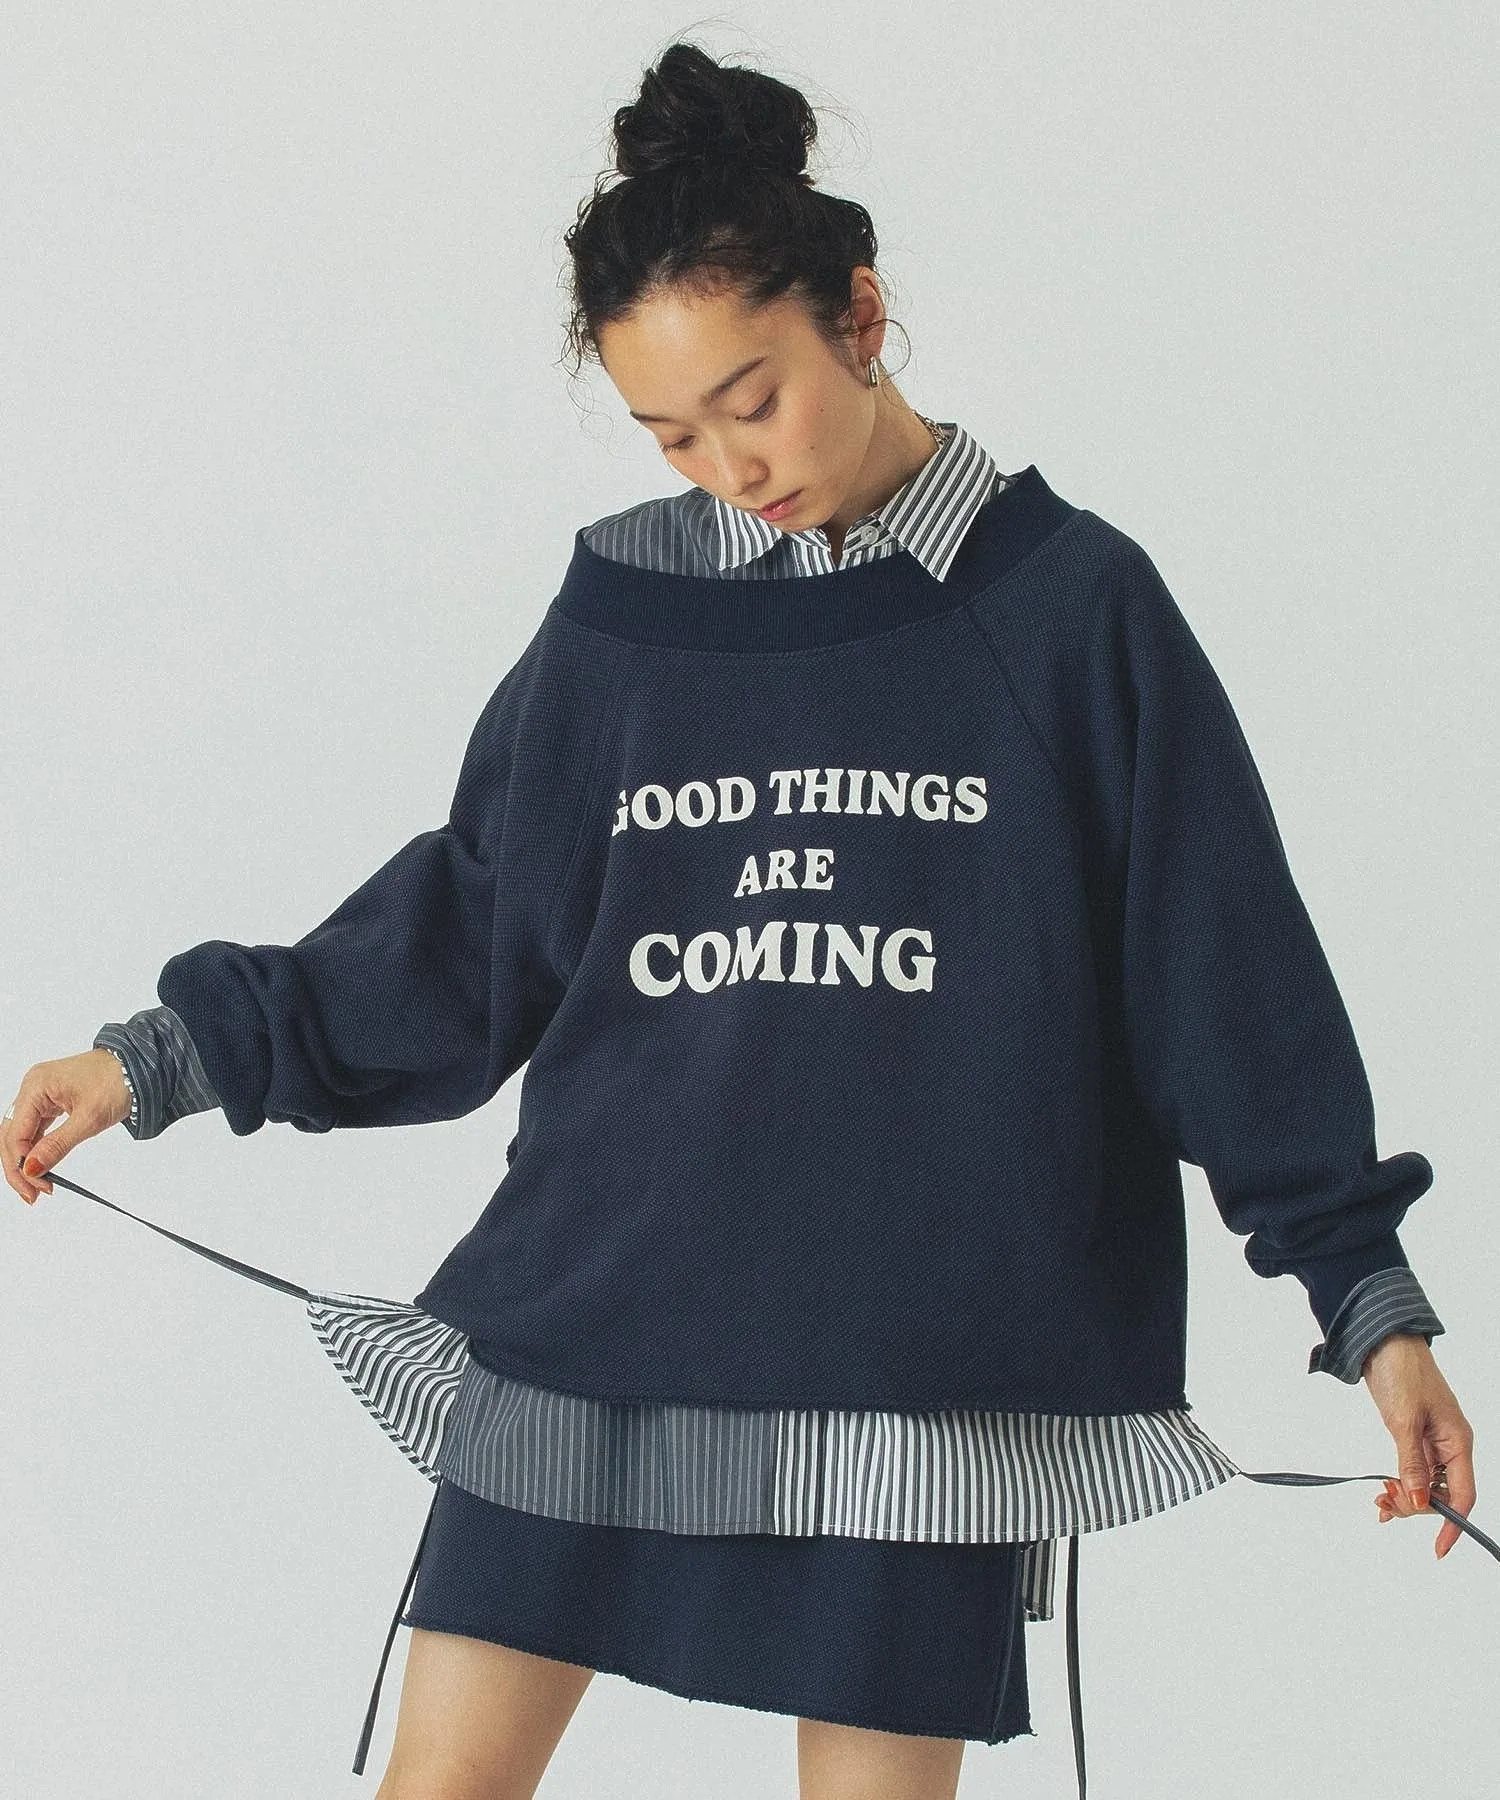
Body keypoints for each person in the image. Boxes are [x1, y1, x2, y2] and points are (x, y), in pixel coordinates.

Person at [2, 37, 1475, 1800]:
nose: (728, 465)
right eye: (671, 434)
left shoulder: (1069, 609)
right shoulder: (631, 612)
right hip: (600, 1322)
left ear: (862, 315)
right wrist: (159, 1058)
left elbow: (1221, 977)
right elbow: (474, 923)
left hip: (919, 1378)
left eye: (752, 401)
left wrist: (1369, 1303)